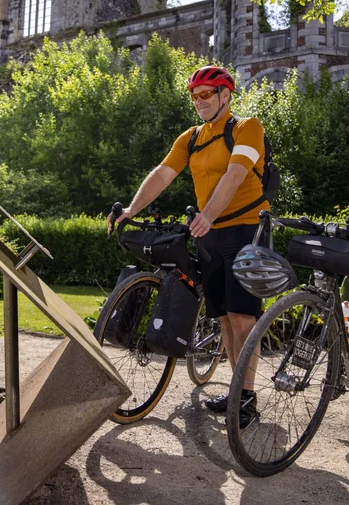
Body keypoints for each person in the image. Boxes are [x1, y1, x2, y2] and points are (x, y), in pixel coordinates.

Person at [108, 65, 269, 428]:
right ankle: (236, 390)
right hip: (209, 232)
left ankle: (246, 397)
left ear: (225, 95)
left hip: (246, 230)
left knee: (244, 316)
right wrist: (133, 208)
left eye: (206, 94)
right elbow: (164, 173)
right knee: (224, 318)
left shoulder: (248, 127)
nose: (199, 102)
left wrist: (209, 213)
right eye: (194, 96)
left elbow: (236, 173)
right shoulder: (192, 137)